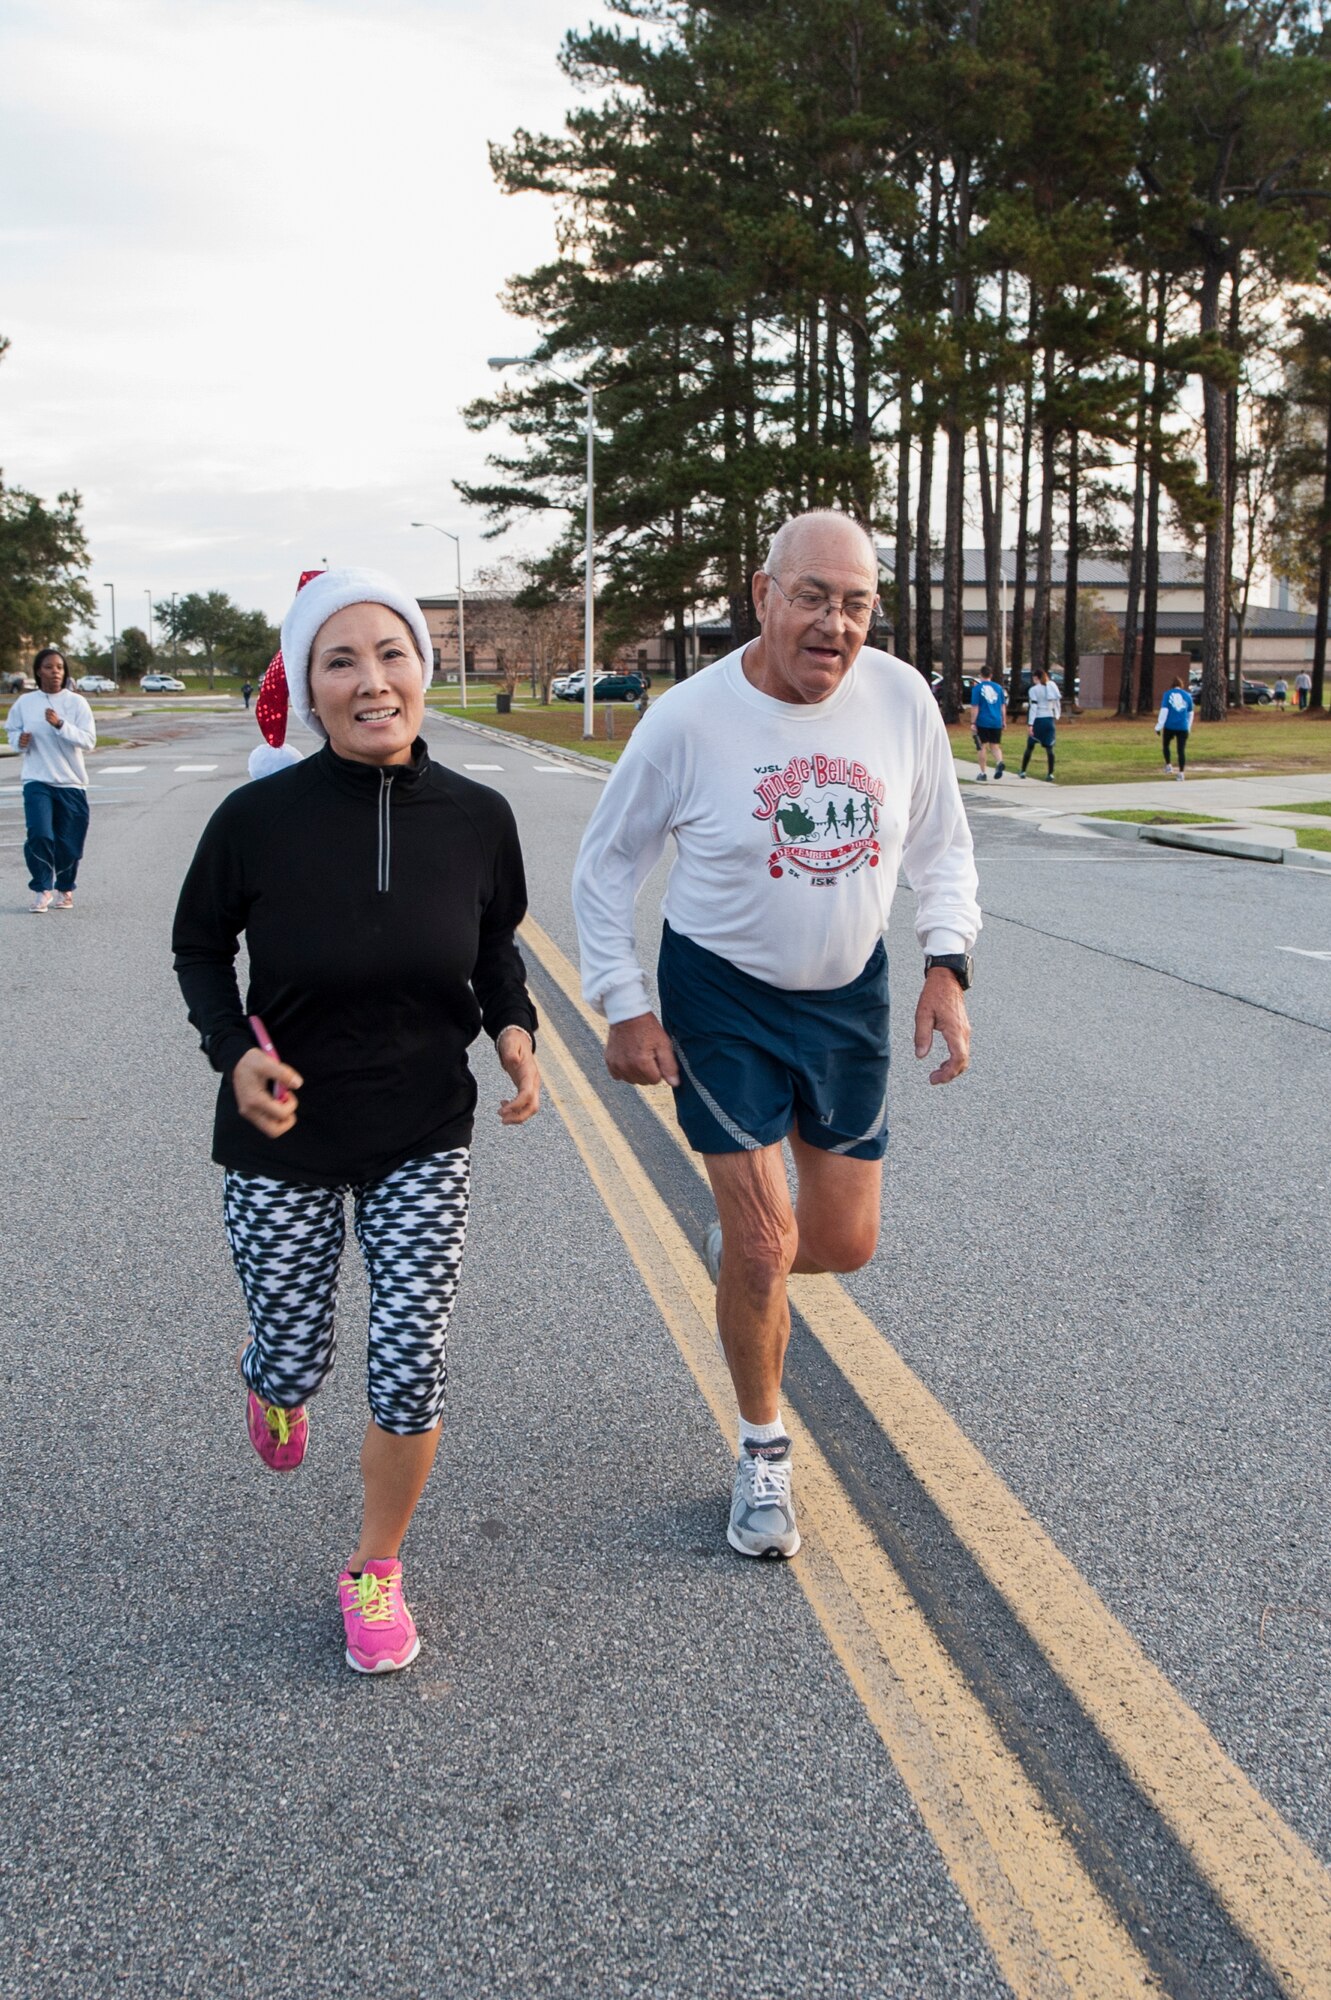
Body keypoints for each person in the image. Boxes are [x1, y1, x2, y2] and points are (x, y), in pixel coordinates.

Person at [571, 510, 979, 1561]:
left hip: (847, 995)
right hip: (722, 996)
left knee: (837, 1242)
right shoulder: (686, 720)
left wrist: (945, 963)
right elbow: (605, 866)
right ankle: (761, 1452)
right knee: (761, 1241)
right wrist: (623, 1001)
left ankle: (748, 1269)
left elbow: (939, 843)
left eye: (854, 602)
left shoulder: (899, 700)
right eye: (811, 596)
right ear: (761, 596)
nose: (833, 623)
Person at [173, 567, 541, 1675]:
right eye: (341, 658)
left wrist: (512, 1031)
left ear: (421, 671)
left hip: (422, 1123)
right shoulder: (255, 818)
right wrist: (235, 1055)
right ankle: (274, 1384)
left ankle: (375, 1565)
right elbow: (199, 949)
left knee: (409, 1352)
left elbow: (491, 947)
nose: (373, 679)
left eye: (392, 653)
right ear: (307, 684)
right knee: (296, 1351)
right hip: (282, 1129)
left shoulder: (478, 817)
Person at [5, 646, 96, 912]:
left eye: (59, 667)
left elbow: (89, 741)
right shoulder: (25, 703)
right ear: (38, 671)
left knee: (69, 843)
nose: (54, 672)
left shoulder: (76, 703)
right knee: (40, 833)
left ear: (64, 671)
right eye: (48, 667)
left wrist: (60, 725)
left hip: (70, 782)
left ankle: (65, 888)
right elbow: (12, 732)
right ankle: (42, 888)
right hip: (37, 780)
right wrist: (18, 741)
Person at [1020, 666, 1060, 781]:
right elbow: (1056, 703)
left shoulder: (1033, 690)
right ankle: (1050, 773)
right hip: (1049, 719)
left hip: (1038, 719)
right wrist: (1056, 715)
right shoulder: (1051, 688)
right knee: (1049, 748)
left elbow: (1033, 707)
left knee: (1030, 746)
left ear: (1035, 678)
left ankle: (1023, 770)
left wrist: (1030, 724)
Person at [968, 669, 1007, 780]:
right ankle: (999, 761)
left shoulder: (977, 689)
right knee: (995, 746)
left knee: (981, 746)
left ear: (981, 675)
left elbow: (975, 707)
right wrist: (1003, 720)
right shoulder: (998, 688)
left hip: (983, 721)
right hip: (996, 721)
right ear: (991, 675)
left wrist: (973, 722)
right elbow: (1002, 706)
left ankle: (983, 773)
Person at [1155, 675, 1194, 780]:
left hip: (1169, 726)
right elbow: (1190, 713)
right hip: (1183, 726)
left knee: (1166, 745)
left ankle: (1168, 765)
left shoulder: (1167, 694)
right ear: (1181, 685)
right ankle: (1181, 773)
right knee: (1181, 750)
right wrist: (1188, 727)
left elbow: (1164, 711)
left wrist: (1159, 726)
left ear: (1172, 686)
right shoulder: (1187, 696)